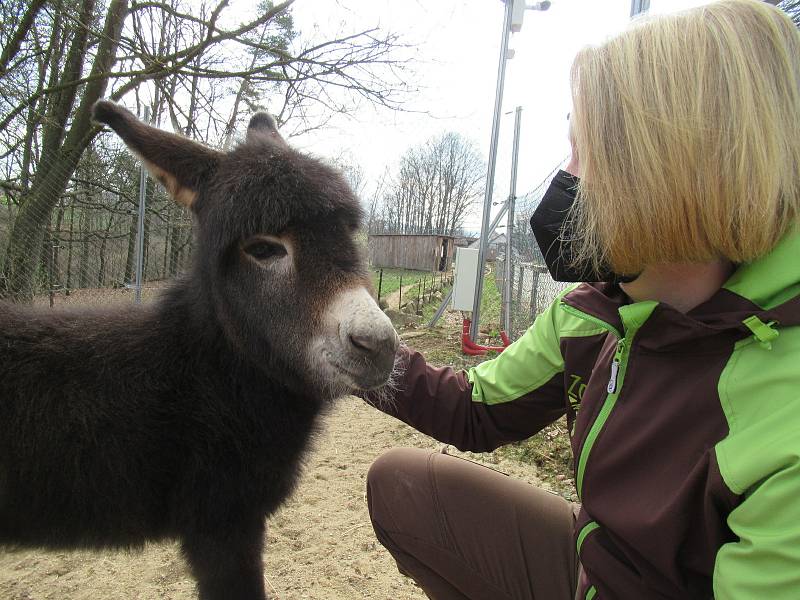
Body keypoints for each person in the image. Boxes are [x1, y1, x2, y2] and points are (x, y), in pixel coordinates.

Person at [361, 1, 800, 598]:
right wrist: (354, 348)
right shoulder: (598, 311)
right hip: (598, 567)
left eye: (581, 151)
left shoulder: (783, 414)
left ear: (667, 174)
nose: (563, 179)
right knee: (403, 486)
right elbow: (474, 409)